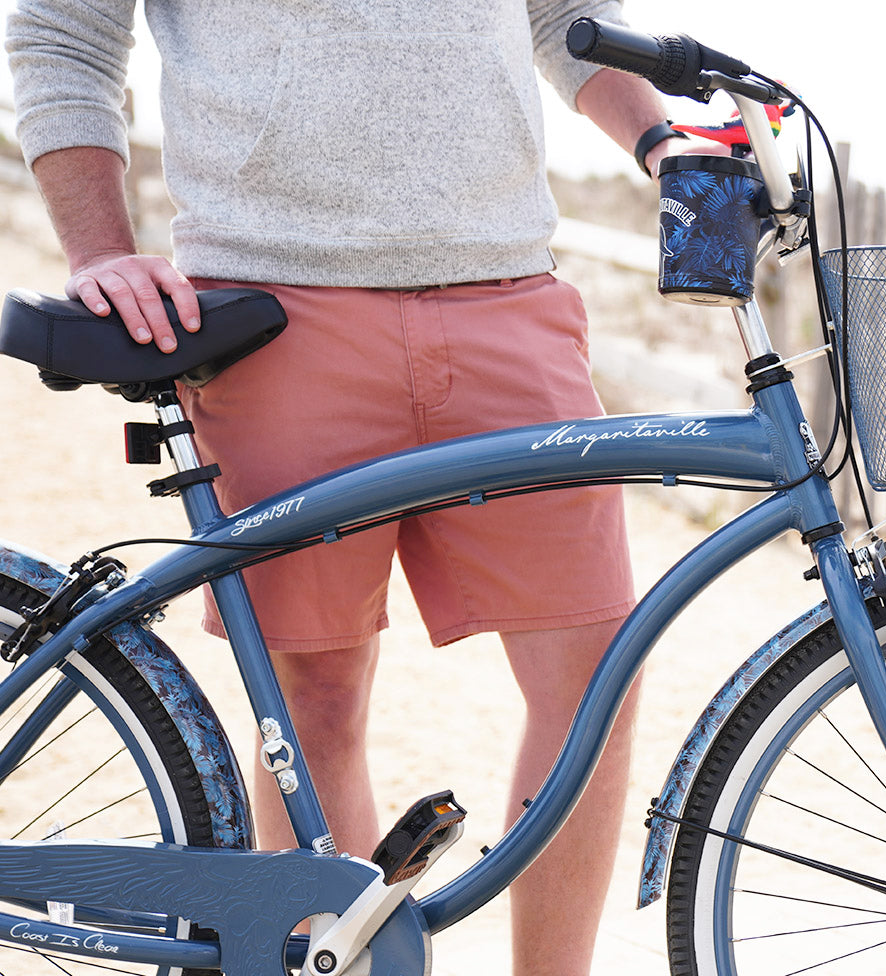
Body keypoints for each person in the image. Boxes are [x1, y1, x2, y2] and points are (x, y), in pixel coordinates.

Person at [7, 1, 720, 973]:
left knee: (597, 678)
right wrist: (99, 250)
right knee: (318, 701)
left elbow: (565, 15)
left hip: (505, 290)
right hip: (274, 308)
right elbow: (64, 30)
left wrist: (662, 139)